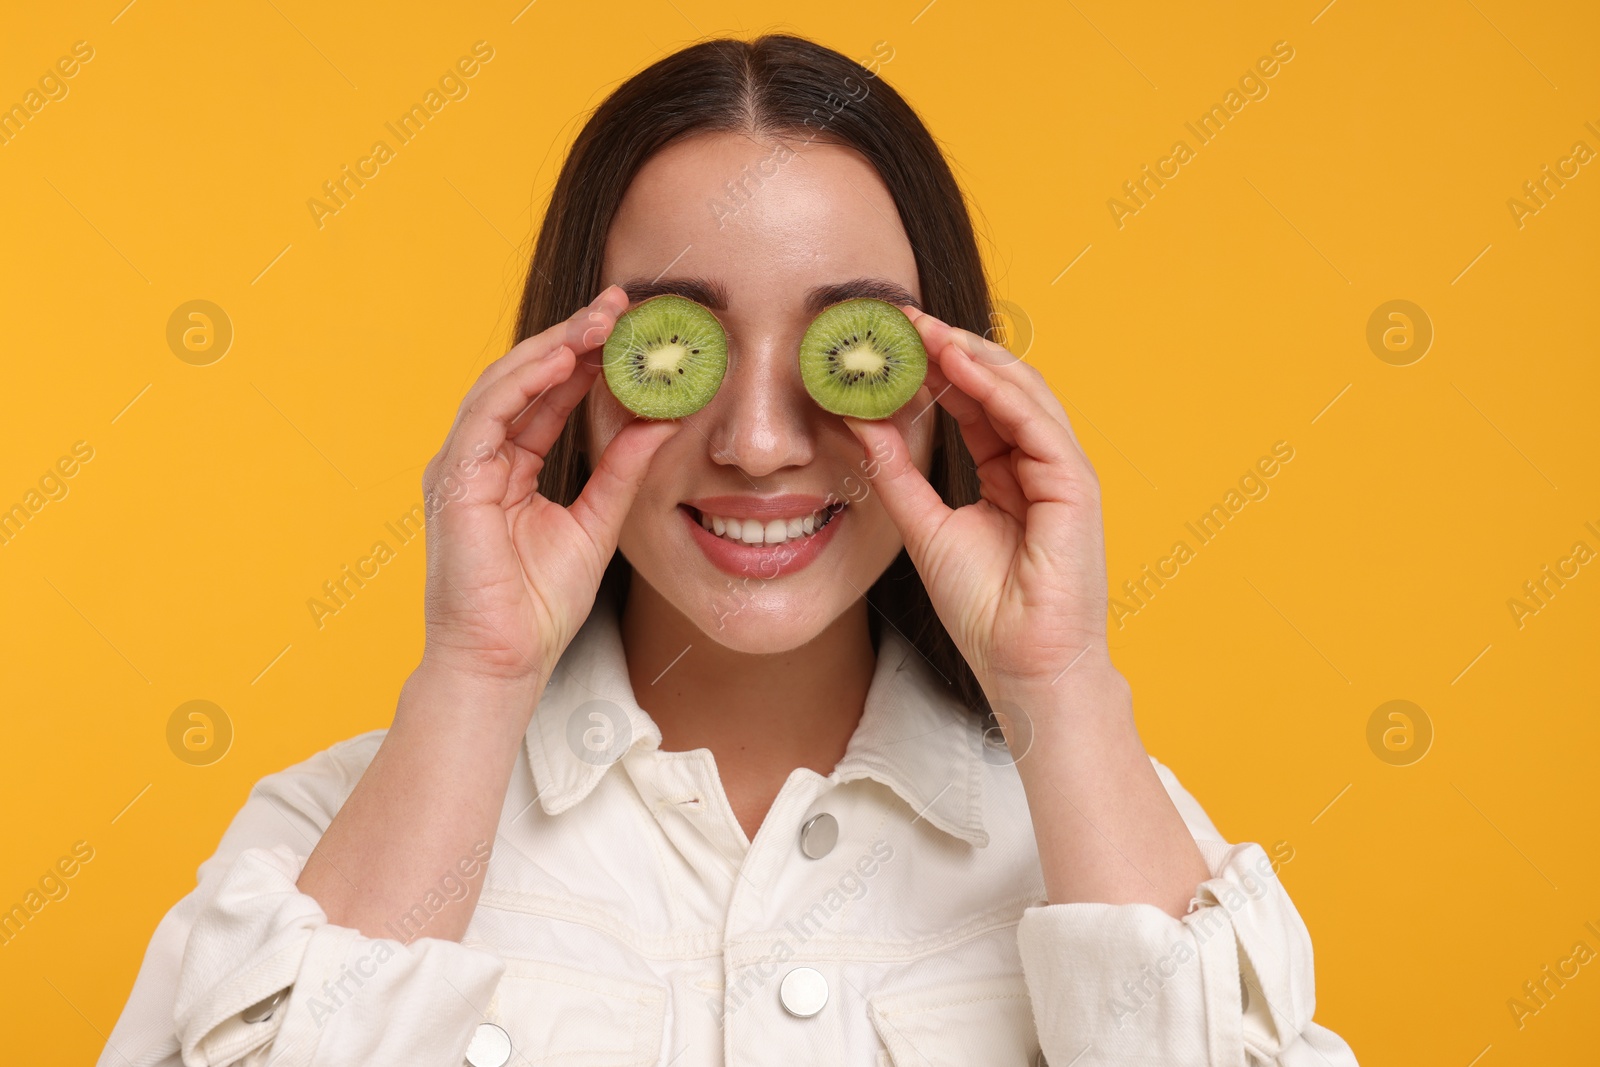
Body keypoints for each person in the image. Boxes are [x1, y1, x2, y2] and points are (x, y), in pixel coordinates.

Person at [99, 33, 1358, 1067]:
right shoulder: (329, 835)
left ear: (946, 384)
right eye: (673, 348)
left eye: (846, 348)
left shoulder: (1106, 838)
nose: (759, 441)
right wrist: (475, 676)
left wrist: (1060, 683)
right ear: (575, 378)